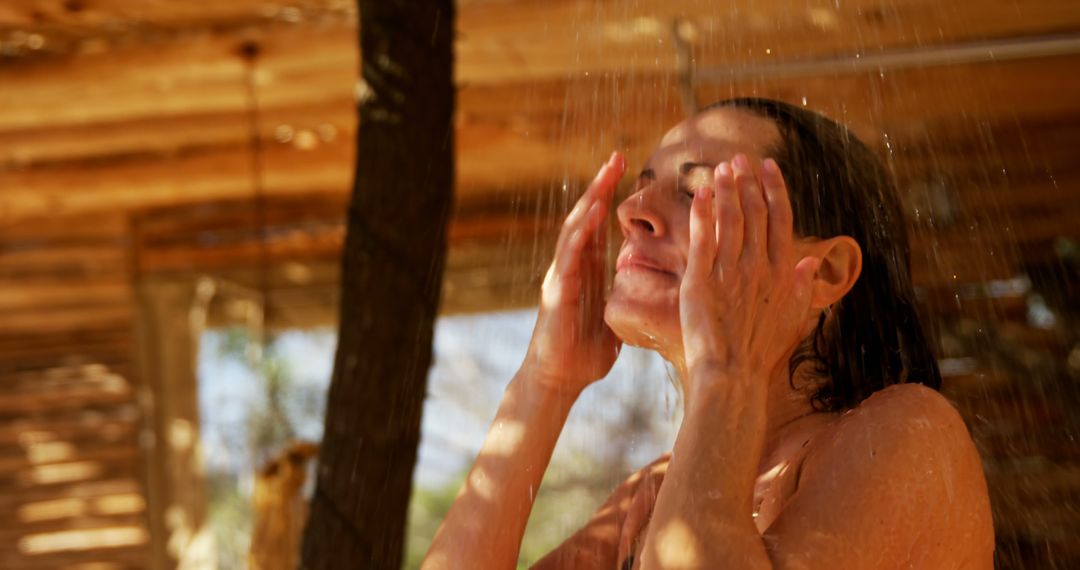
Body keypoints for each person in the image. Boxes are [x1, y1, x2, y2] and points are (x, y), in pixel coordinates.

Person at [421, 98, 995, 569]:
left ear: (825, 273)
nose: (632, 210)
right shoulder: (649, 497)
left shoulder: (908, 434)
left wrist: (728, 372)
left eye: (697, 195)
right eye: (643, 186)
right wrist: (543, 382)